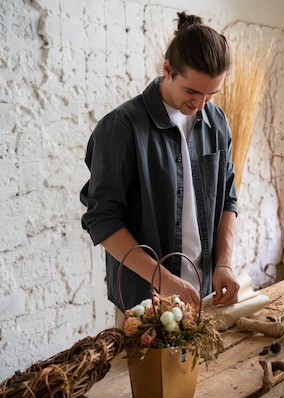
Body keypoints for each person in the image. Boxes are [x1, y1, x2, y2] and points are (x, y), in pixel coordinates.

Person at [80, 11, 240, 319]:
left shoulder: (217, 121)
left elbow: (229, 201)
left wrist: (224, 264)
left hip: (206, 296)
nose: (201, 104)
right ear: (168, 70)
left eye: (211, 94)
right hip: (146, 303)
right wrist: (164, 281)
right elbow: (103, 220)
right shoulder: (121, 128)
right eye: (192, 91)